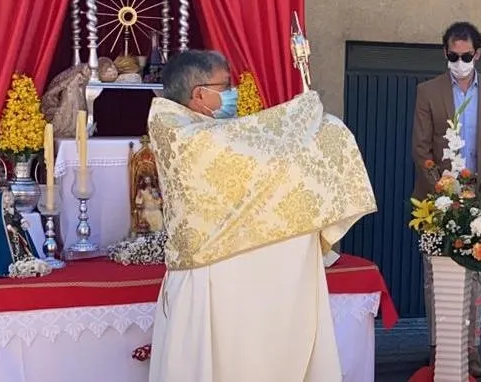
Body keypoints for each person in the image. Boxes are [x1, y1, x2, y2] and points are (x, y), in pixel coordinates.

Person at [146, 50, 376, 382]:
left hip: (228, 277)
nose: (232, 93)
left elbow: (253, 161)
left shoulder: (202, 127)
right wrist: (301, 113)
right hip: (211, 274)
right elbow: (248, 142)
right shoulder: (182, 133)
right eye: (225, 86)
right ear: (199, 95)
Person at [412, 21, 481, 378]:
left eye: (466, 56)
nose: (459, 61)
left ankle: (471, 348)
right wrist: (443, 194)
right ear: (445, 53)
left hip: (480, 203)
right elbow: (421, 148)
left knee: (476, 278)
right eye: (453, 56)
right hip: (434, 203)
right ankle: (438, 347)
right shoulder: (428, 91)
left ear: (478, 54)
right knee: (433, 278)